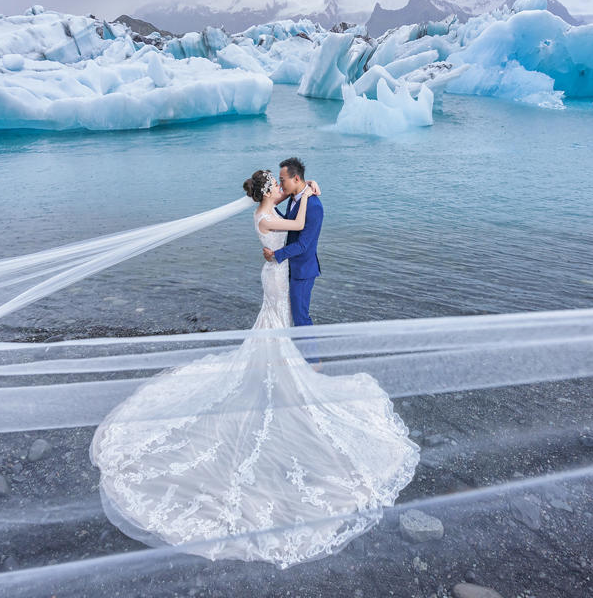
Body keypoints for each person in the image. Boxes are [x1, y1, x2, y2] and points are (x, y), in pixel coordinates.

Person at [89, 169, 419, 570]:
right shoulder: (268, 216)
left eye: (283, 184)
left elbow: (290, 207)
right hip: (277, 276)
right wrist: (310, 194)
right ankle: (280, 373)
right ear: (268, 191)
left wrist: (307, 190)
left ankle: (281, 368)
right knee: (277, 323)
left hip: (275, 275)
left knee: (274, 324)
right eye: (276, 186)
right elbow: (297, 222)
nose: (281, 189)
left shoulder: (267, 209)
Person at [263, 157, 322, 330]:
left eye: (282, 180)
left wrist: (275, 255)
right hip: (289, 267)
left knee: (301, 317)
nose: (280, 186)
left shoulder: (313, 206)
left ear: (296, 178)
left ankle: (311, 357)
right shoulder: (293, 196)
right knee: (290, 313)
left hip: (303, 270)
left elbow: (304, 245)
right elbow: (287, 220)